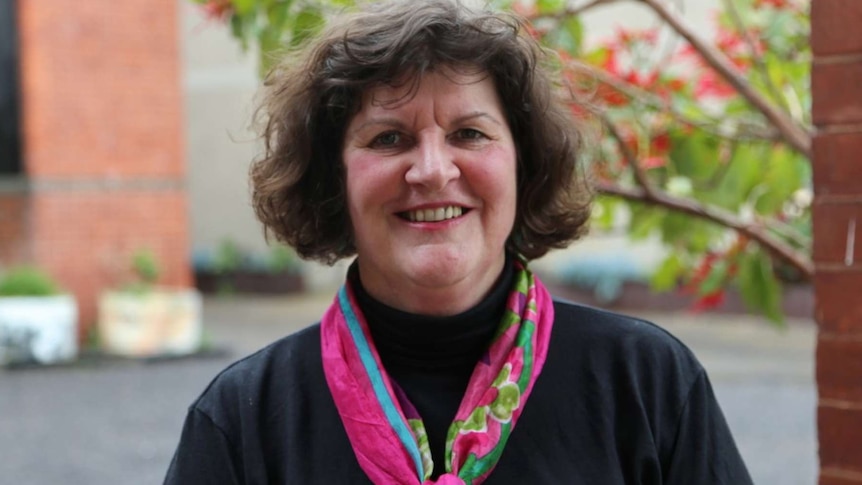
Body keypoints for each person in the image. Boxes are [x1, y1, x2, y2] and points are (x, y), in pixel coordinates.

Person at [164, 0, 753, 483]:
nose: (432, 170)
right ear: (331, 179)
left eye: (469, 133)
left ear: (525, 163)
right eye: (389, 138)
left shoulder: (646, 383)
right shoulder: (245, 420)